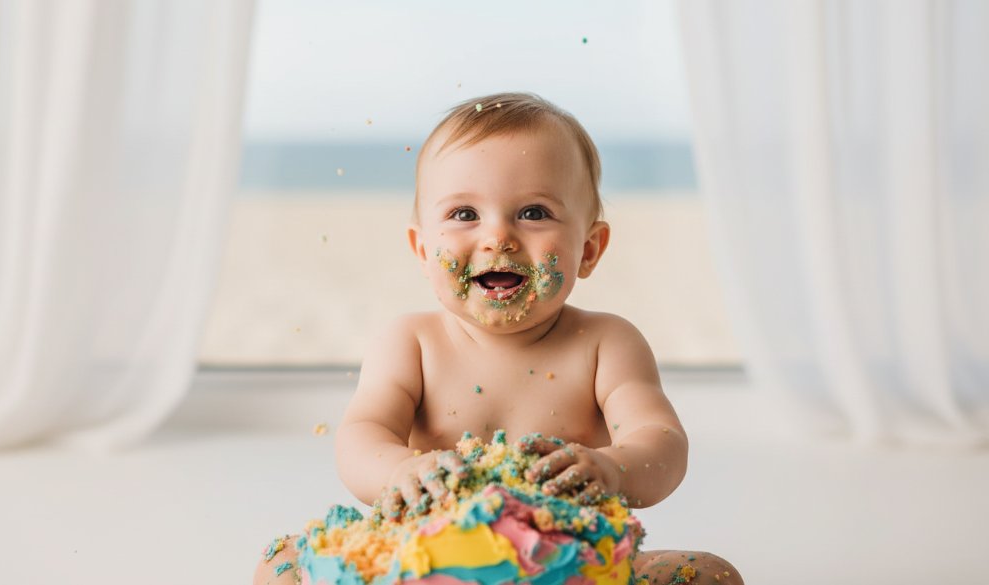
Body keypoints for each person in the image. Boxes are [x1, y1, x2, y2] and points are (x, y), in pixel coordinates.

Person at [254, 92, 743, 585]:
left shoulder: (606, 345)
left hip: (568, 565)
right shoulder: (412, 343)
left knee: (709, 575)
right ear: (422, 250)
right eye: (465, 214)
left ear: (590, 248)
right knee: (282, 563)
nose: (498, 238)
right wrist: (399, 470)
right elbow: (361, 437)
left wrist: (610, 469)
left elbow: (661, 443)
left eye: (534, 213)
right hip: (423, 561)